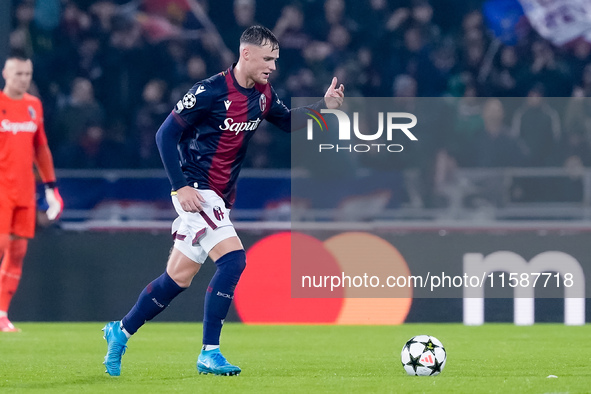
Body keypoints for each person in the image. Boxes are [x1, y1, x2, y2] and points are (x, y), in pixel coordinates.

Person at [102, 25, 344, 376]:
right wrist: (179, 186)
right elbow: (165, 134)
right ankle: (209, 352)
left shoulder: (263, 94)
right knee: (233, 261)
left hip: (220, 197)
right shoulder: (209, 91)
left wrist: (325, 106)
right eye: (267, 58)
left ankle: (120, 331)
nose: (273, 66)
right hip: (197, 191)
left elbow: (288, 122)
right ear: (246, 54)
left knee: (177, 280)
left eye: (275, 59)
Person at [0, 53, 63, 332]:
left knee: (18, 251)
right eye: (18, 74)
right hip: (1, 190)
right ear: (5, 74)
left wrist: (51, 188)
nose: (24, 79)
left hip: (25, 191)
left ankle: (1, 314)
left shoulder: (33, 106)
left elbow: (41, 148)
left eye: (27, 74)